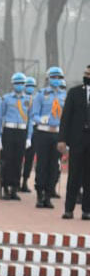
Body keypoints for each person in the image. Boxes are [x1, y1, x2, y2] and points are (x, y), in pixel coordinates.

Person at [30, 67, 65, 209]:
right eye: (53, 77)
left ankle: (49, 195)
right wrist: (42, 120)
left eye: (58, 77)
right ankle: (40, 194)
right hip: (43, 132)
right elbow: (34, 115)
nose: (56, 80)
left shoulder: (64, 96)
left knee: (54, 166)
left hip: (57, 134)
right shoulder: (41, 95)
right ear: (48, 79)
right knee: (42, 165)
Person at [58, 64, 90, 220]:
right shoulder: (74, 93)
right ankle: (69, 209)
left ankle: (87, 210)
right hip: (76, 140)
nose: (87, 76)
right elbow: (65, 118)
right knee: (74, 175)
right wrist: (62, 139)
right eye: (86, 73)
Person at [0, 72, 30, 201]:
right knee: (7, 160)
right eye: (17, 83)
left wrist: (29, 137)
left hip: (21, 131)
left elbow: (31, 119)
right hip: (9, 131)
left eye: (22, 83)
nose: (19, 85)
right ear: (13, 84)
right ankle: (5, 186)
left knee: (18, 161)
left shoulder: (28, 99)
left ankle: (14, 188)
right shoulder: (6, 98)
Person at [20, 76, 39, 193]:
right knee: (17, 157)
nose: (30, 88)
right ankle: (15, 181)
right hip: (22, 129)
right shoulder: (20, 98)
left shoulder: (37, 99)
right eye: (28, 86)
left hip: (34, 131)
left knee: (29, 159)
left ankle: (25, 182)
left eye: (32, 86)